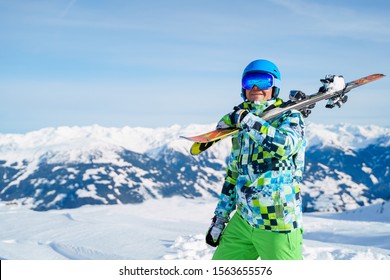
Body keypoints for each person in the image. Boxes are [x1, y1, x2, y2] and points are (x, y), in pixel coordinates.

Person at [205, 59, 307, 260]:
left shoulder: (290, 118)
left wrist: (248, 120)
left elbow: (285, 145)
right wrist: (220, 218)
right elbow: (233, 175)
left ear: (274, 87)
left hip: (278, 223)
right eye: (249, 82)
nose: (254, 87)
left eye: (263, 81)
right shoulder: (241, 128)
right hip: (244, 220)